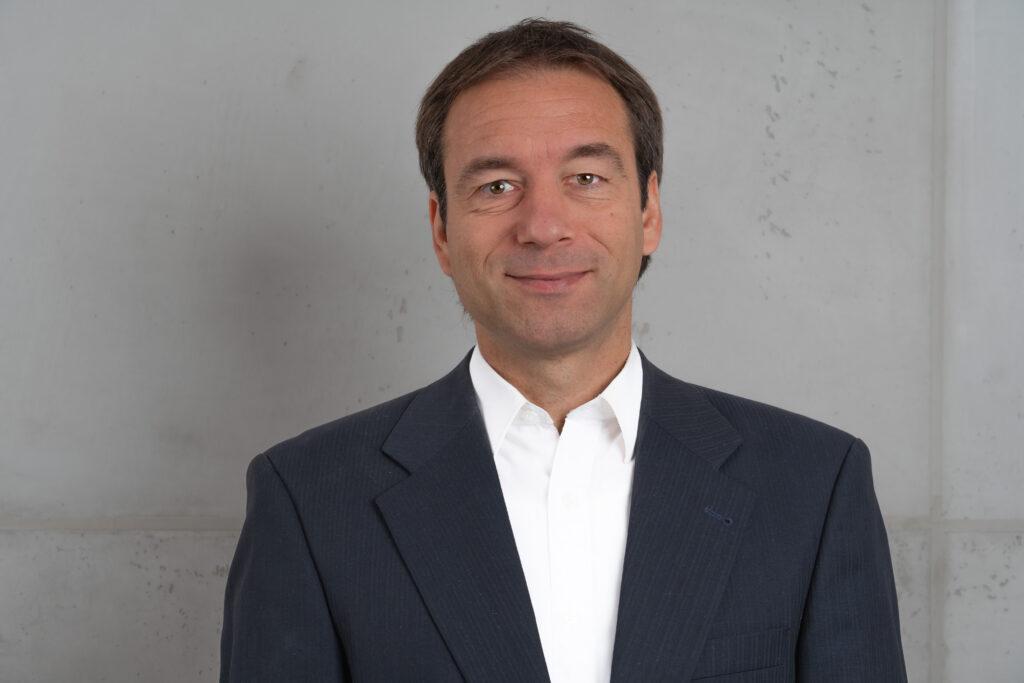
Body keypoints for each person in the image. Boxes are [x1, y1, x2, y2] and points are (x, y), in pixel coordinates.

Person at [220, 18, 908, 682]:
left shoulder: (814, 486)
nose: (543, 226)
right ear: (442, 230)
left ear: (648, 212)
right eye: (497, 186)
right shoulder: (310, 500)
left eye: (585, 179)